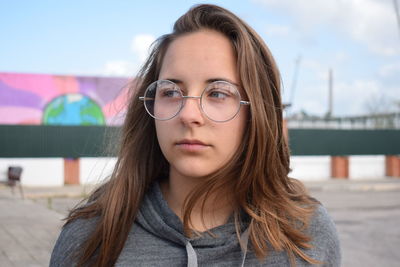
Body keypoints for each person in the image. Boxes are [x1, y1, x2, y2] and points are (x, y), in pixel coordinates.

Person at [50, 4, 340, 267]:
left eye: (217, 93)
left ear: (257, 113)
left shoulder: (306, 233)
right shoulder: (92, 233)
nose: (188, 114)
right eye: (171, 92)